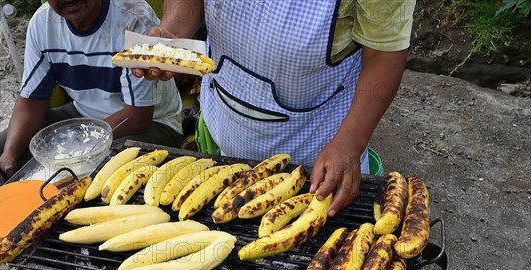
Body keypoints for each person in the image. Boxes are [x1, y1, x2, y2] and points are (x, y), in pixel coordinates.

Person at [134, 0, 416, 217]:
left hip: (313, 163)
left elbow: (383, 54)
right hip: (223, 128)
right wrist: (172, 30)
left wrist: (350, 144)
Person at [0, 0, 184, 178]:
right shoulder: (42, 23)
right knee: (4, 146)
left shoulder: (134, 17)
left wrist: (73, 145)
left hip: (153, 122)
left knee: (104, 171)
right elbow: (32, 102)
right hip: (86, 115)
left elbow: (137, 118)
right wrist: (8, 156)